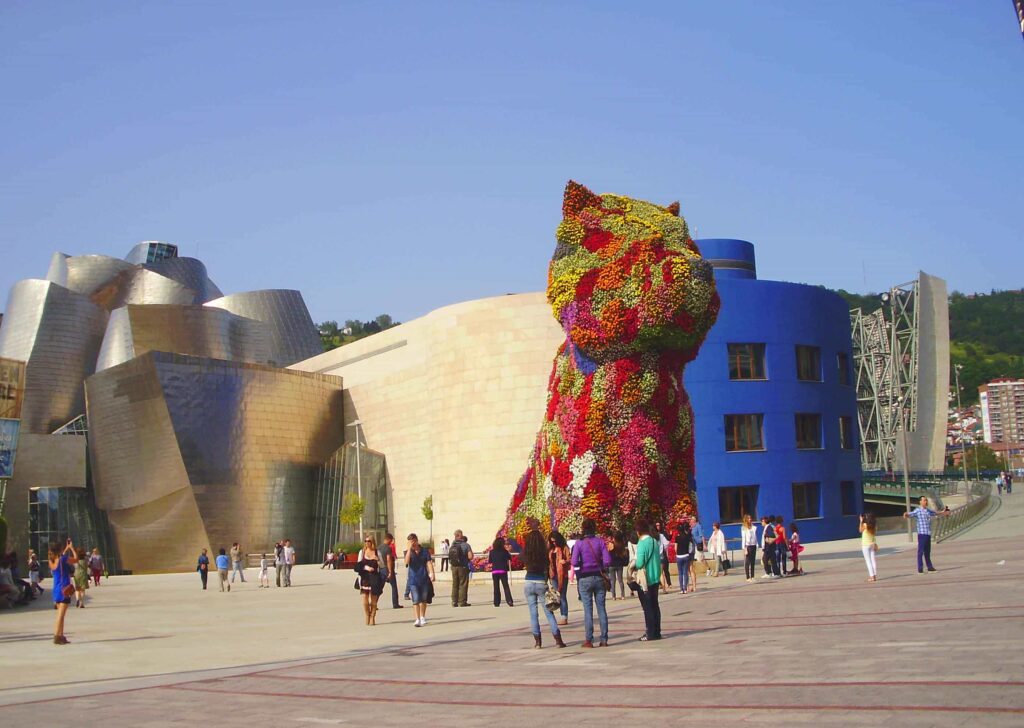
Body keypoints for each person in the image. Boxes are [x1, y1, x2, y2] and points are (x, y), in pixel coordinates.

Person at [522, 518, 565, 648]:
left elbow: (520, 557)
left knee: (533, 613)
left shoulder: (527, 553)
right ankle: (558, 640)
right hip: (541, 582)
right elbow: (548, 568)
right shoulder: (543, 553)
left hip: (529, 581)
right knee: (548, 612)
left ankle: (538, 642)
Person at [572, 518, 612, 647]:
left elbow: (574, 562)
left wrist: (582, 563)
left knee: (588, 610)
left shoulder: (579, 543)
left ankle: (589, 639)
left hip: (584, 578)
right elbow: (607, 560)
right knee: (601, 608)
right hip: (598, 577)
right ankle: (604, 639)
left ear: (583, 528)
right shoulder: (600, 541)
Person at [903, 496, 951, 573]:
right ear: (920, 502)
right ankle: (920, 568)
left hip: (928, 533)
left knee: (927, 552)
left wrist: (943, 512)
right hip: (922, 534)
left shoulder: (927, 510)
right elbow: (910, 514)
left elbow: (935, 513)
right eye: (924, 500)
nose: (926, 502)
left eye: (926, 500)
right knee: (920, 551)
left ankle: (930, 567)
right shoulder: (918, 510)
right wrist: (906, 514)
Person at [632, 519, 662, 641]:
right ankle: (657, 631)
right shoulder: (654, 541)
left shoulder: (642, 544)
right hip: (655, 577)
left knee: (647, 607)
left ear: (638, 531)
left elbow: (639, 563)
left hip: (645, 579)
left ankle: (649, 632)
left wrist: (633, 564)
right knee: (655, 605)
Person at [48, 539, 77, 644]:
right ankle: (57, 635)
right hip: (64, 589)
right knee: (60, 615)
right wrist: (72, 548)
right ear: (59, 549)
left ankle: (61, 635)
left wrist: (66, 548)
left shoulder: (51, 560)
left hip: (56, 589)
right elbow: (76, 559)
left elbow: (61, 557)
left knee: (62, 614)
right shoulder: (63, 559)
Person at [405, 532, 435, 626]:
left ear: (417, 541)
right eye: (410, 542)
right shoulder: (408, 552)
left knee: (423, 599)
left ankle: (422, 617)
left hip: (424, 578)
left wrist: (432, 573)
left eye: (413, 541)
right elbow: (406, 562)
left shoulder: (424, 551)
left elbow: (429, 562)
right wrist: (409, 549)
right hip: (413, 579)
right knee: (416, 599)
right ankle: (417, 618)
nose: (412, 543)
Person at [356, 536, 384, 625]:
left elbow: (382, 565)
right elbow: (358, 565)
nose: (367, 543)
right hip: (365, 577)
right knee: (364, 598)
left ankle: (372, 617)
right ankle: (367, 615)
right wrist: (367, 568)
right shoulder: (362, 552)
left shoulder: (377, 552)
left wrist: (378, 560)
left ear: (373, 542)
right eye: (366, 541)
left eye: (369, 541)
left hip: (375, 577)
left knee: (373, 600)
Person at [547, 530, 571, 625]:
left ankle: (564, 616)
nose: (554, 543)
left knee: (562, 596)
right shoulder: (551, 549)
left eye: (555, 541)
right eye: (552, 541)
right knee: (556, 595)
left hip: (562, 575)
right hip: (553, 575)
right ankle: (559, 614)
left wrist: (565, 561)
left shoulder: (564, 548)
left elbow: (570, 558)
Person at [448, 530, 473, 607]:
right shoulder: (466, 545)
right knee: (463, 583)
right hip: (463, 566)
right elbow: (470, 556)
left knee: (455, 584)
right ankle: (462, 602)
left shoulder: (452, 545)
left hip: (454, 567)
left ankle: (454, 601)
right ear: (461, 535)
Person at [488, 537, 514, 607]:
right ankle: (509, 601)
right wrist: (508, 551)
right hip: (503, 570)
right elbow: (509, 558)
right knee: (505, 586)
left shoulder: (492, 552)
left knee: (496, 587)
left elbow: (490, 561)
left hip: (495, 571)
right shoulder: (504, 551)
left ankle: (496, 602)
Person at [382, 533, 403, 609]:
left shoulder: (378, 548)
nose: (391, 542)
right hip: (388, 569)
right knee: (394, 587)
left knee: (379, 587)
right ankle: (395, 603)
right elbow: (389, 560)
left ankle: (374, 603)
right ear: (387, 539)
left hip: (381, 570)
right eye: (390, 541)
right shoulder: (388, 548)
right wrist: (390, 571)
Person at [673, 522, 693, 593]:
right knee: (686, 573)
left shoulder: (677, 538)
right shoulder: (687, 537)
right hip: (686, 555)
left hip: (679, 556)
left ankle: (681, 589)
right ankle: (685, 588)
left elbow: (675, 548)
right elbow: (690, 547)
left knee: (680, 573)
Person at [609, 531, 629, 600]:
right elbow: (624, 555)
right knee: (620, 580)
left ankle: (613, 596)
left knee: (613, 581)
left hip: (611, 564)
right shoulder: (622, 545)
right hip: (619, 564)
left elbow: (609, 553)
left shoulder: (611, 544)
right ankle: (622, 595)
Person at [859, 513, 878, 582]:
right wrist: (875, 543)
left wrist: (861, 521)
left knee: (868, 561)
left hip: (865, 545)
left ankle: (871, 576)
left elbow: (860, 530)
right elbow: (874, 535)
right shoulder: (874, 526)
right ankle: (874, 575)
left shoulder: (865, 525)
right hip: (872, 543)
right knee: (873, 560)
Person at [653, 521, 672, 589]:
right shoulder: (659, 535)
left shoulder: (658, 535)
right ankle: (662, 586)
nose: (658, 527)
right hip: (659, 555)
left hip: (658, 555)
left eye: (659, 525)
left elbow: (667, 542)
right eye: (657, 525)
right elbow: (666, 543)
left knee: (663, 571)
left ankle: (667, 584)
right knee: (660, 572)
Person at [740, 514, 758, 582]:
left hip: (753, 545)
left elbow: (755, 536)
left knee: (753, 561)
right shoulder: (743, 527)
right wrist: (744, 548)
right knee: (748, 562)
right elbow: (743, 538)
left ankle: (753, 576)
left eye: (750, 518)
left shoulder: (754, 527)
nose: (750, 519)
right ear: (746, 519)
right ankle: (748, 577)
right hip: (748, 546)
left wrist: (757, 544)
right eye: (748, 518)